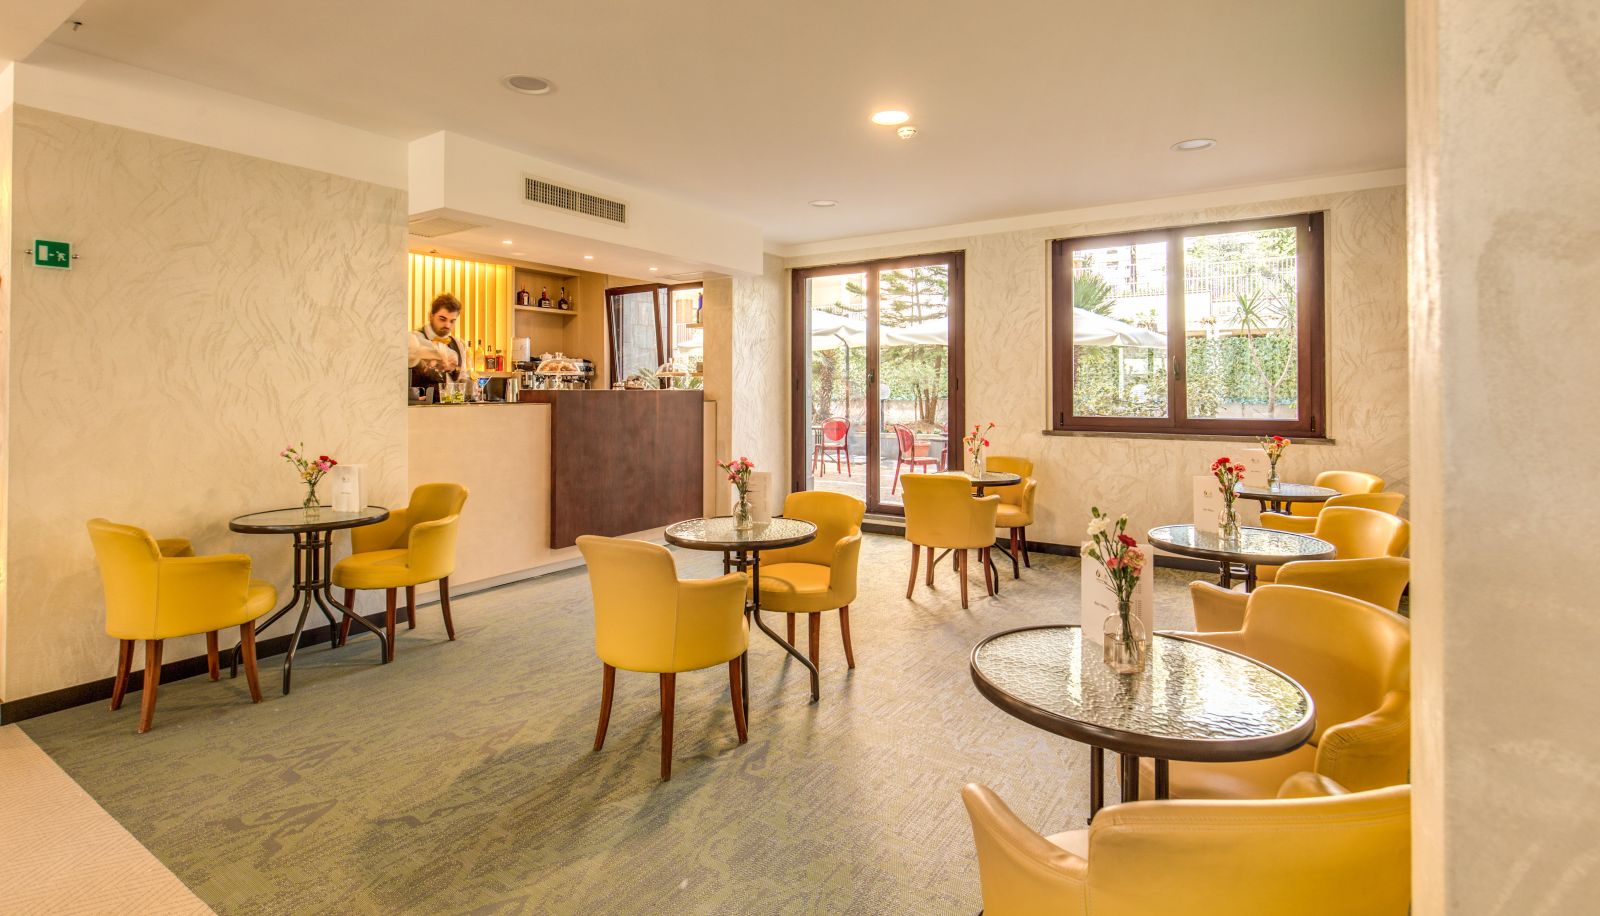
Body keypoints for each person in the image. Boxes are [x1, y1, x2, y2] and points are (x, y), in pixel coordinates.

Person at [409, 293, 467, 396]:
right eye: (442, 319)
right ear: (430, 316)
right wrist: (435, 355)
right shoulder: (414, 338)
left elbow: (463, 378)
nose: (447, 325)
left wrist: (455, 369)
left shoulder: (459, 344)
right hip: (419, 404)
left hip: (450, 403)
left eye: (452, 321)